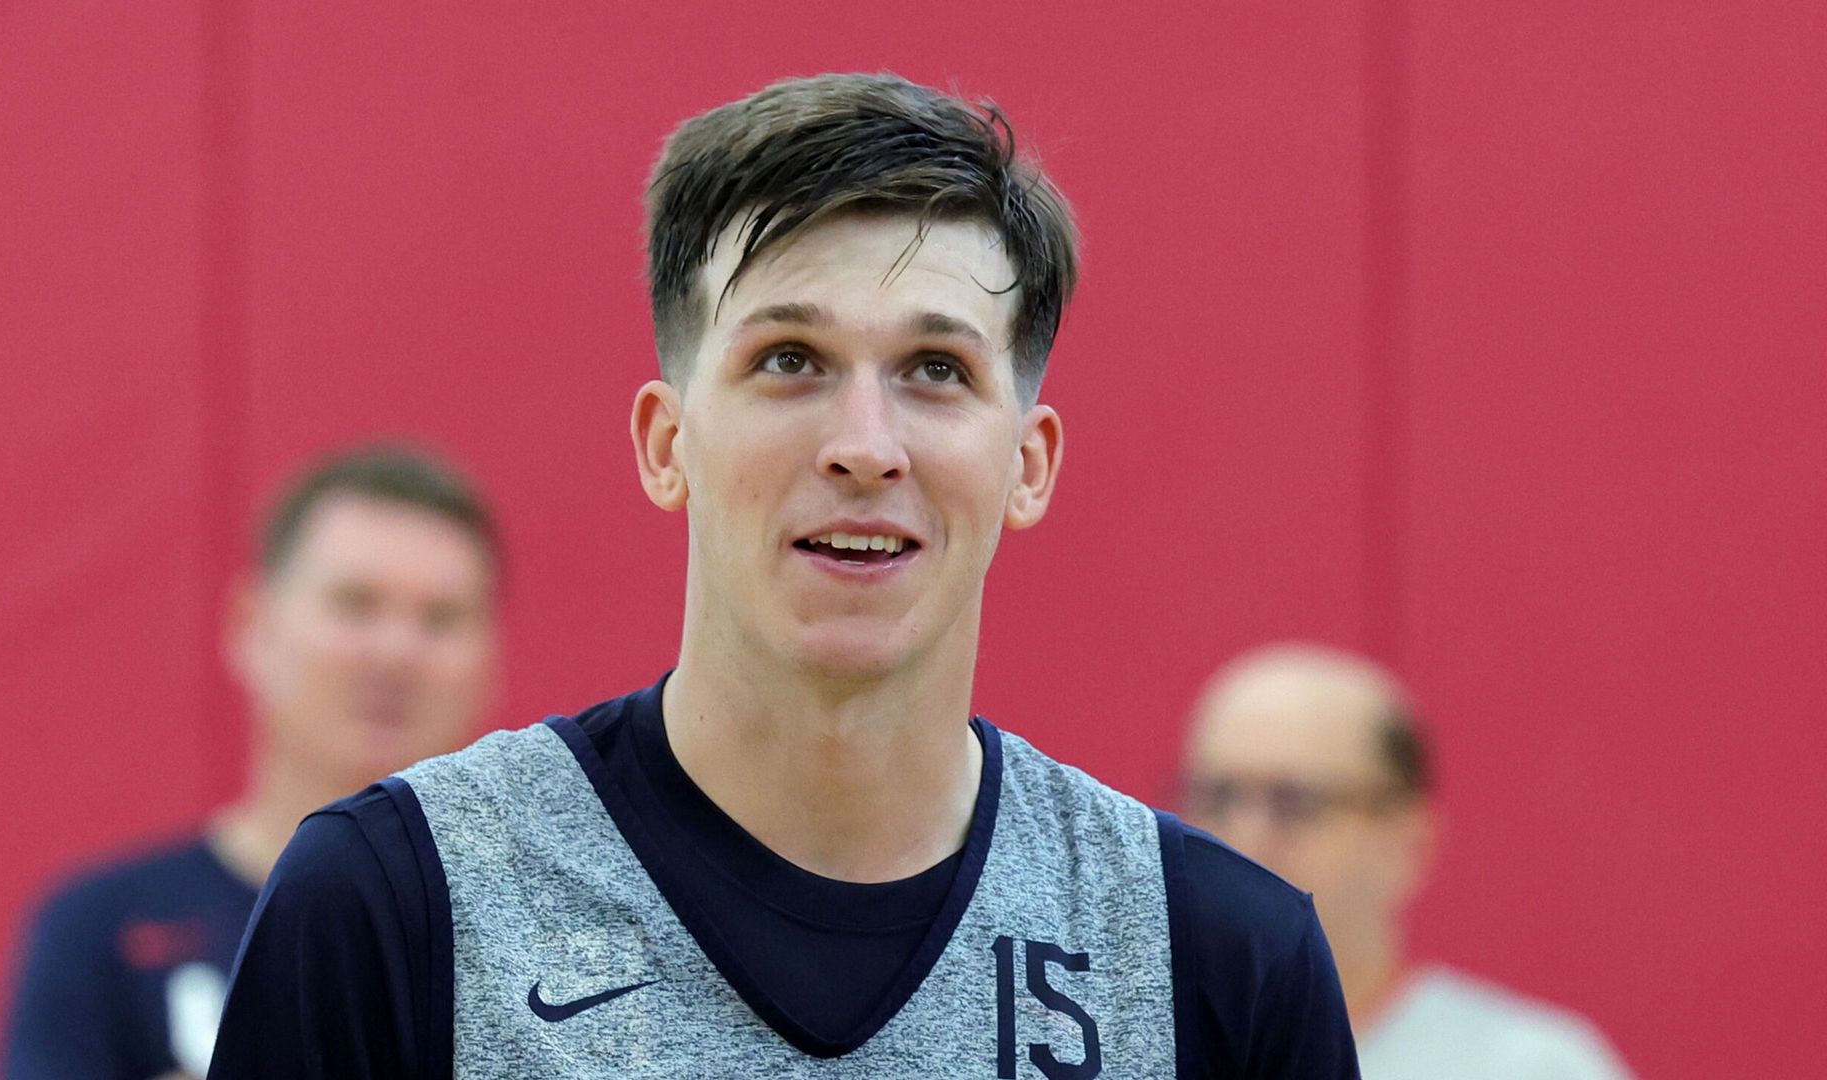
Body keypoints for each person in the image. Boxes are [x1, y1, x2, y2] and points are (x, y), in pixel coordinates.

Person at [209, 73, 1358, 1079]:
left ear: (1029, 463)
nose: (864, 445)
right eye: (790, 359)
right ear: (667, 444)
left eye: (936, 369)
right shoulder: (394, 903)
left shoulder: (1219, 957)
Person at [0, 445, 502, 1080]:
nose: (397, 652)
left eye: (441, 619)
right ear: (252, 625)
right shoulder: (101, 930)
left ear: (490, 655)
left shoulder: (555, 932)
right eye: (355, 605)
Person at [1182, 643, 1634, 1080]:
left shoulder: (1532, 1068)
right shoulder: (1146, 1053)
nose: (1243, 838)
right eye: (1217, 797)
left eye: (1296, 802)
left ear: (1406, 842)